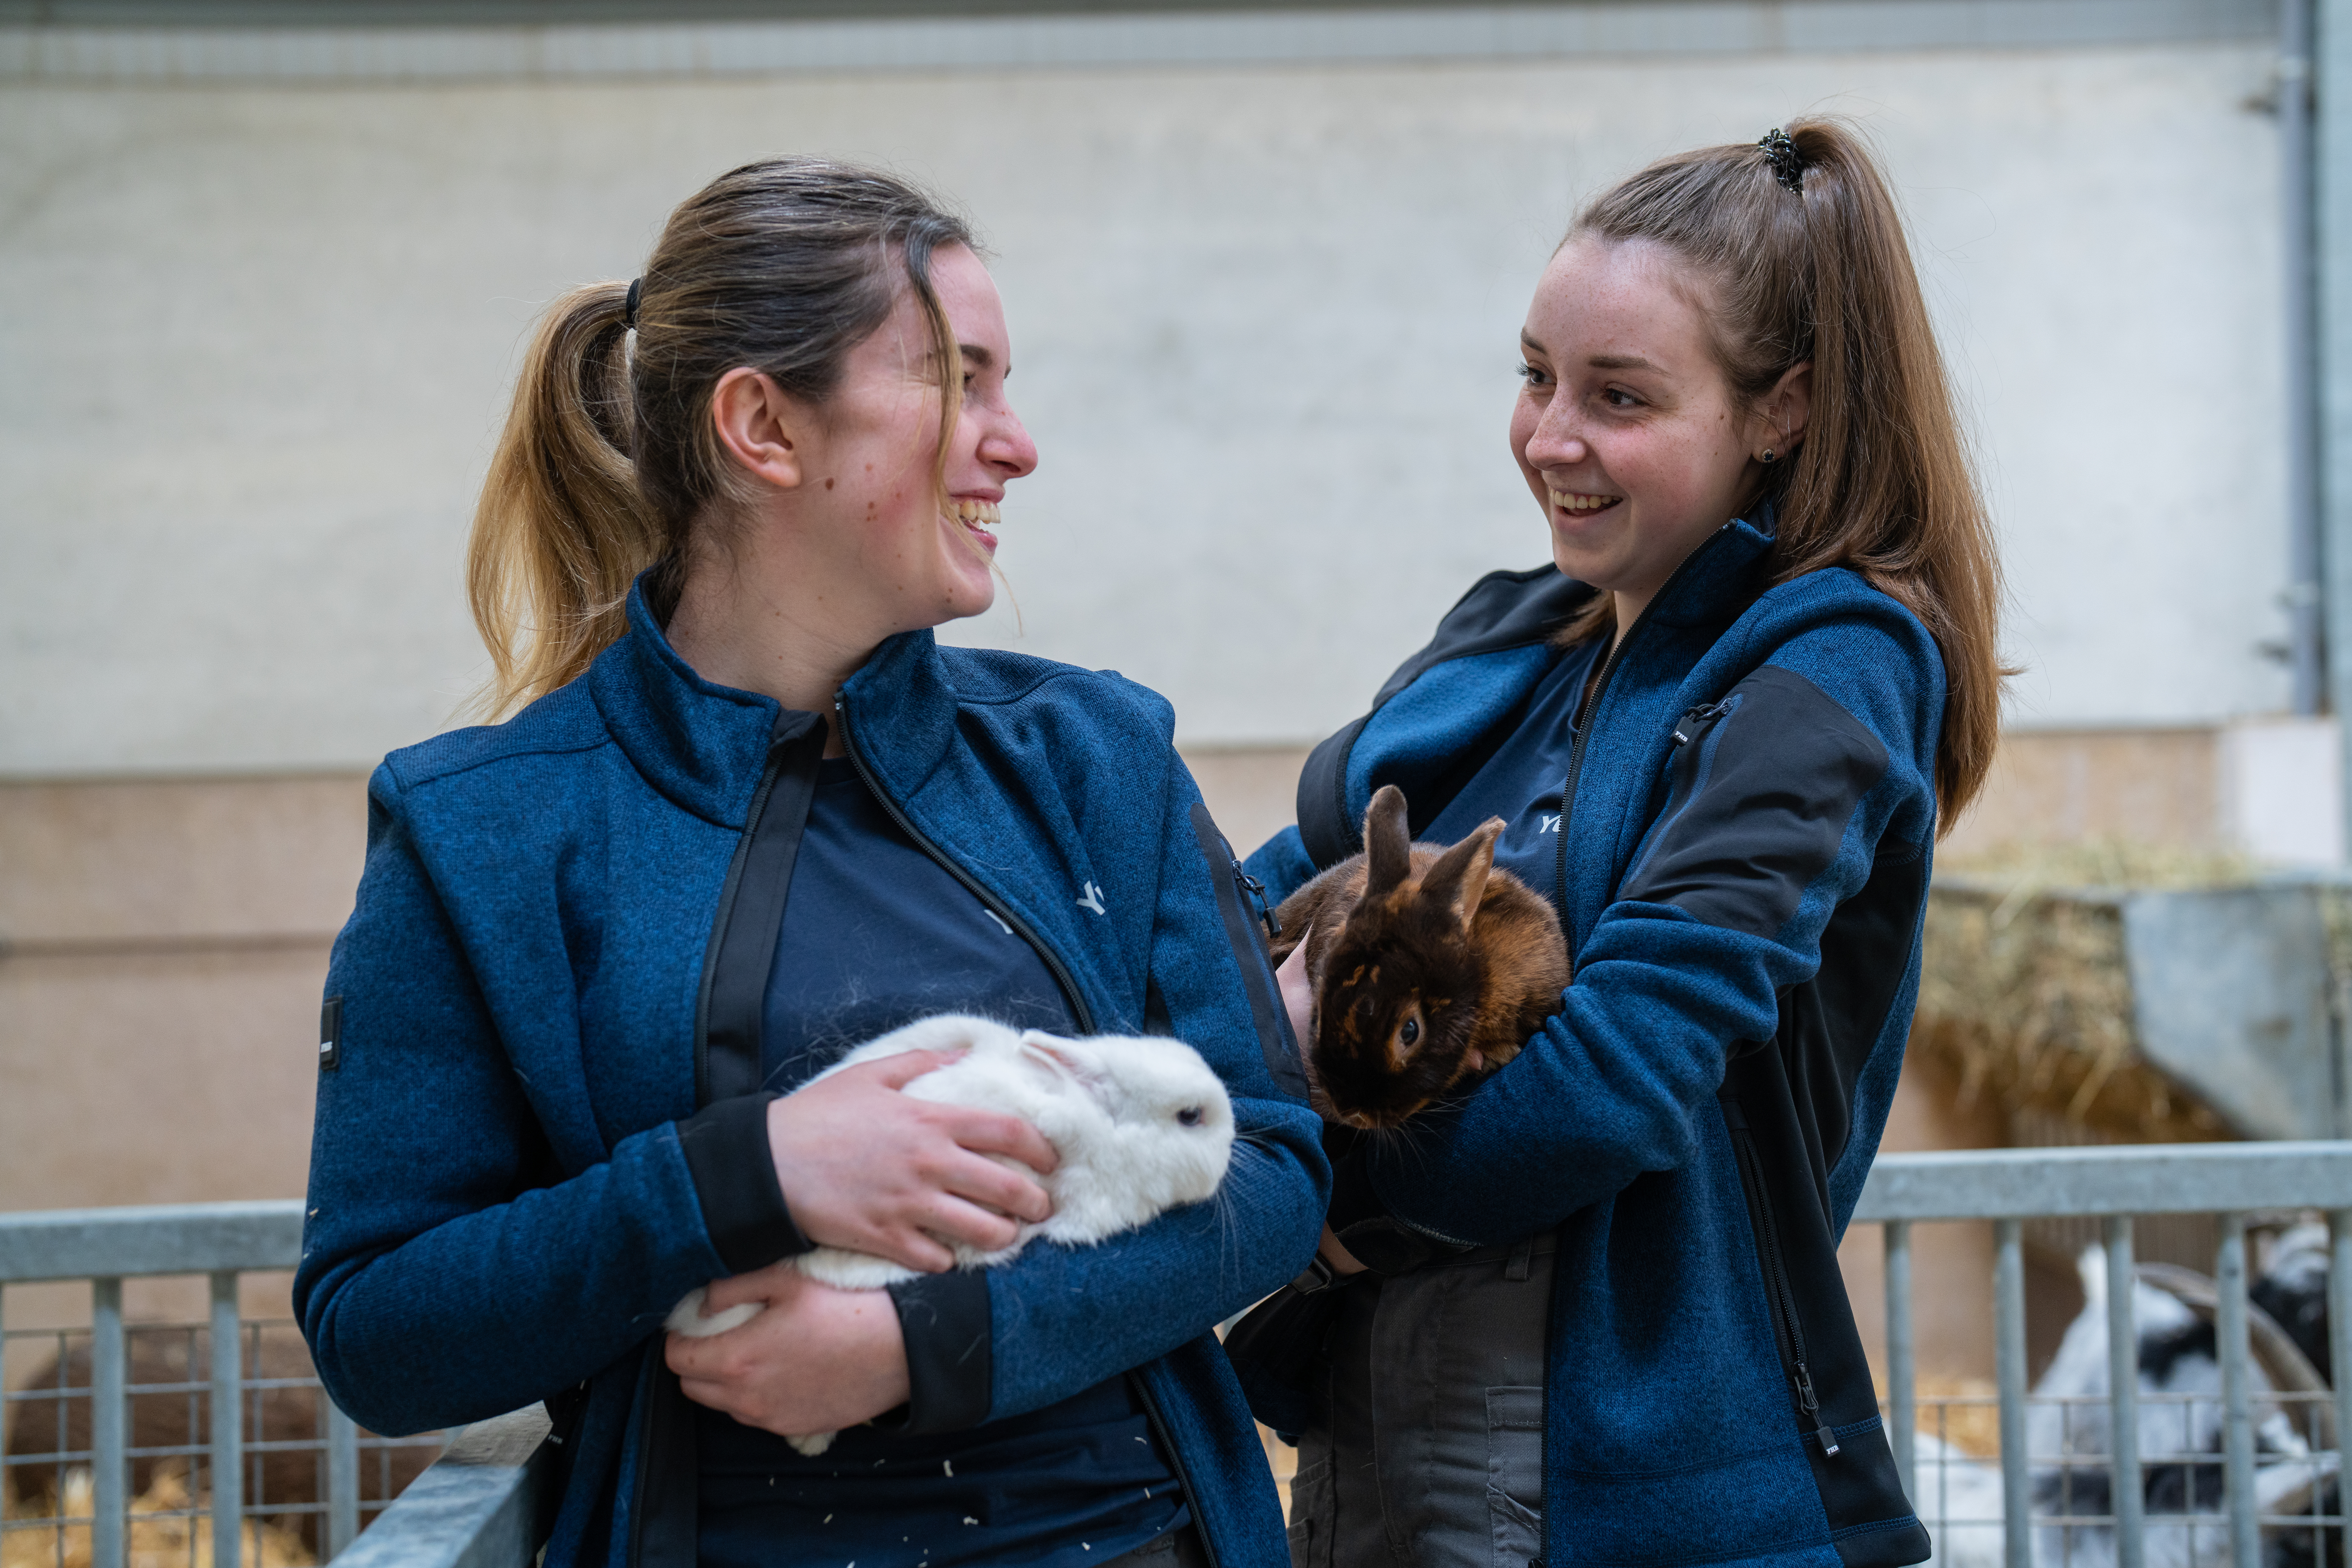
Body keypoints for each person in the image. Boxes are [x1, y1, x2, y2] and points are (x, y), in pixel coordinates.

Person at [293, 157, 1326, 1568]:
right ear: (764, 427)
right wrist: (747, 1175)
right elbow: (382, 1332)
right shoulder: (482, 829)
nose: (1015, 445)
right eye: (961, 384)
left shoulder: (1096, 753)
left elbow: (1272, 1168)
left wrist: (926, 1345)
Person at [1239, 121, 2003, 1568]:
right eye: (1534, 376)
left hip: (1613, 1468)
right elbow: (1246, 914)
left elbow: (1616, 1076)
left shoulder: (1831, 666)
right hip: (1372, 1434)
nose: (1549, 438)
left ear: (1780, 410)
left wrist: (1312, 1199)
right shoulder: (1510, 646)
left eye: (1620, 396)